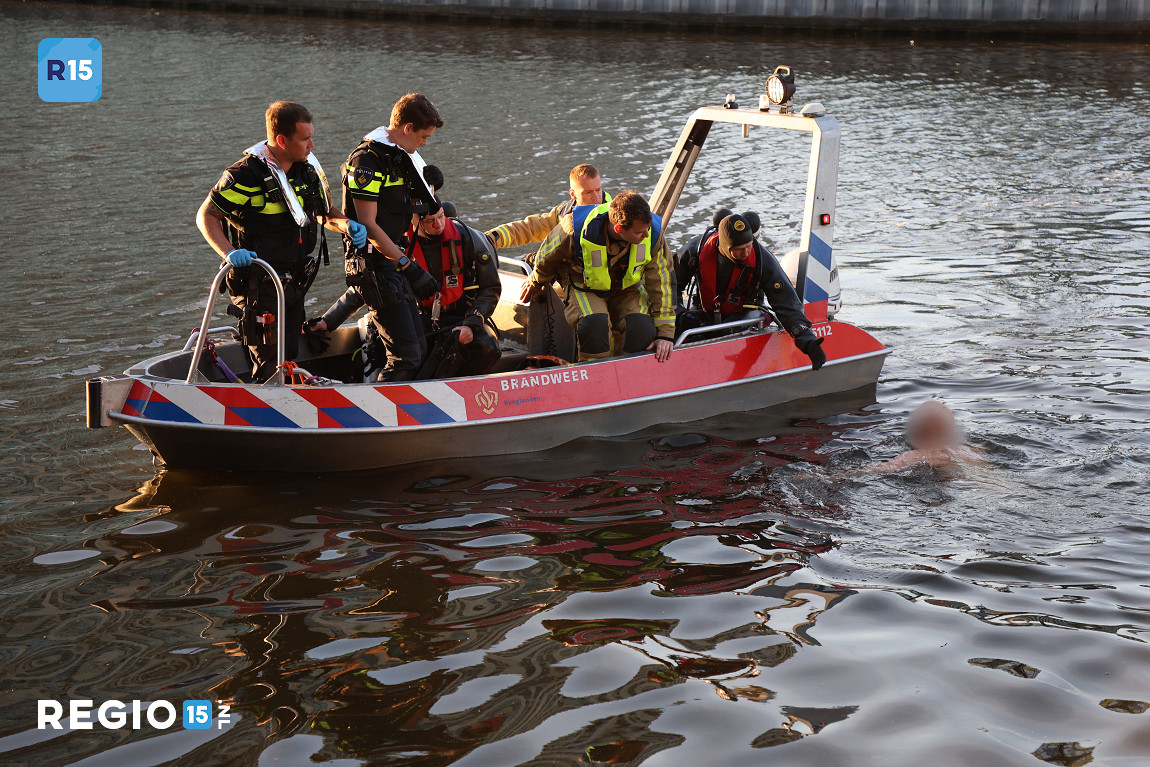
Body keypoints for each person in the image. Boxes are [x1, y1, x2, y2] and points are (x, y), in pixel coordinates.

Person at [195, 100, 367, 382]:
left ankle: (288, 410)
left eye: (312, 136)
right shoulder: (245, 175)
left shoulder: (306, 171)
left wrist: (347, 225)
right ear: (281, 140)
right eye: (305, 138)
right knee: (269, 361)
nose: (312, 145)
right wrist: (229, 253)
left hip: (294, 281)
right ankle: (265, 417)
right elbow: (207, 216)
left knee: (288, 355)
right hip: (257, 283)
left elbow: (324, 214)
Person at [332, 92, 445, 380]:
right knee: (405, 356)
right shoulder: (367, 161)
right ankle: (378, 416)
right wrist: (408, 264)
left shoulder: (399, 156)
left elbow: (405, 209)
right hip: (375, 263)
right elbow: (368, 224)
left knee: (418, 346)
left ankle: (401, 414)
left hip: (394, 260)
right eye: (423, 136)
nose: (424, 143)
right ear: (407, 128)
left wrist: (430, 191)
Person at [520, 190, 676, 363]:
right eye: (639, 233)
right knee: (594, 325)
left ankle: (630, 374)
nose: (646, 235)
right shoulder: (574, 228)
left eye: (646, 229)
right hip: (585, 284)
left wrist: (665, 334)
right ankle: (595, 376)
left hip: (627, 287)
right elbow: (547, 256)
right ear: (618, 228)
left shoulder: (652, 233)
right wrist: (537, 281)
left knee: (641, 327)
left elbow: (662, 282)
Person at [675, 213, 826, 370]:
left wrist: (805, 337)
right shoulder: (697, 251)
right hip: (704, 311)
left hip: (743, 314)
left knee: (728, 330)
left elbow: (785, 300)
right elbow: (668, 285)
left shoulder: (761, 259)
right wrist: (678, 314)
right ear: (724, 247)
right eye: (740, 249)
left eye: (749, 246)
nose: (746, 253)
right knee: (683, 326)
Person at [406, 204, 502, 377]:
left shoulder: (469, 239)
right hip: (419, 317)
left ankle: (463, 388)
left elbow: (491, 288)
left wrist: (472, 324)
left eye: (441, 217)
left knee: (488, 346)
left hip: (460, 315)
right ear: (414, 221)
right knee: (407, 354)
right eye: (430, 221)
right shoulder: (399, 244)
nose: (438, 225)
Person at [486, 163, 607, 250]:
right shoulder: (561, 215)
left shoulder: (616, 214)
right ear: (573, 194)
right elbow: (528, 228)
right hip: (572, 282)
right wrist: (489, 238)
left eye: (598, 189)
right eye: (588, 192)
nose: (596, 197)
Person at [873, 401, 985, 473]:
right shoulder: (967, 450)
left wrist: (857, 472)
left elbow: (883, 468)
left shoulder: (917, 456)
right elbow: (983, 448)